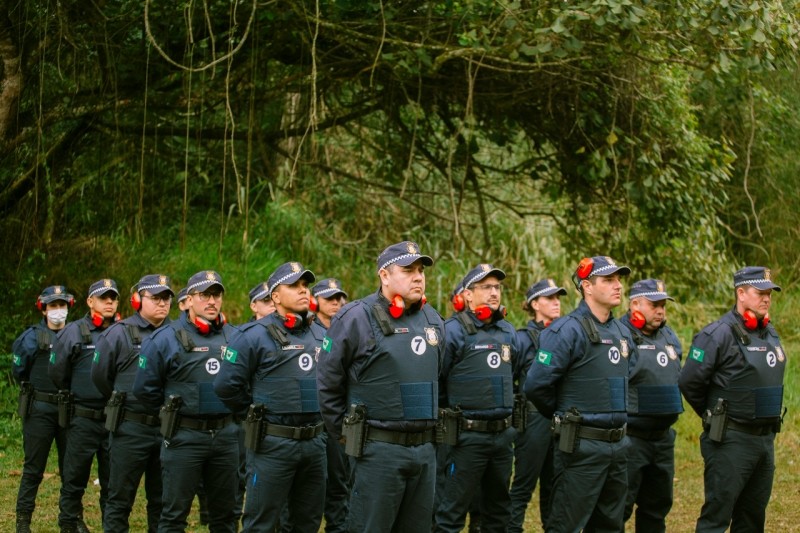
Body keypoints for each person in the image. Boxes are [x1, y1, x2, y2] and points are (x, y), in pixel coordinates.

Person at [317, 241, 445, 533]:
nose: (418, 277)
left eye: (421, 270)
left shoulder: (434, 320)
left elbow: (438, 373)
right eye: (408, 270)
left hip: (425, 452)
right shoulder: (355, 318)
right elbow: (328, 381)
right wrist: (343, 434)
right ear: (384, 275)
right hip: (378, 452)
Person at [524, 256, 636, 533]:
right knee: (567, 525)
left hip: (618, 447)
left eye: (619, 279)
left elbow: (627, 375)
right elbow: (536, 386)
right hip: (581, 448)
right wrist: (567, 415)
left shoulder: (623, 332)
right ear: (587, 286)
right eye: (609, 280)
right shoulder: (566, 331)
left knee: (611, 524)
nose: (618, 286)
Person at [215, 262, 326, 533]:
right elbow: (226, 386)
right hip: (273, 444)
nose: (303, 291)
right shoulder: (253, 336)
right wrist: (255, 412)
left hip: (315, 445)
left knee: (307, 522)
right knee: (260, 523)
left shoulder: (322, 334)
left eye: (305, 286)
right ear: (275, 296)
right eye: (294, 286)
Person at [679, 266, 786, 532]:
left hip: (764, 441)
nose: (766, 298)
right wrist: (715, 414)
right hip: (730, 440)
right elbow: (689, 382)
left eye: (769, 293)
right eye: (760, 292)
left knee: (752, 518)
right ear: (741, 293)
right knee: (717, 517)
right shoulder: (717, 334)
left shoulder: (769, 331)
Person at [133, 270, 240, 532]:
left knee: (226, 515)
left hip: (226, 438)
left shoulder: (236, 337)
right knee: (173, 515)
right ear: (189, 300)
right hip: (184, 438)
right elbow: (145, 390)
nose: (212, 301)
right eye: (204, 295)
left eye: (216, 294)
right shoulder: (165, 338)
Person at [434, 264, 521, 533]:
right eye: (486, 287)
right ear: (468, 295)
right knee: (450, 512)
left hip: (502, 438)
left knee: (498, 512)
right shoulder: (453, 331)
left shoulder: (508, 331)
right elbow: (438, 381)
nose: (494, 292)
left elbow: (514, 372)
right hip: (465, 439)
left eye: (497, 287)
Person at [92, 275, 174, 533]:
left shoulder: (178, 334)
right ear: (138, 299)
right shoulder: (118, 333)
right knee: (120, 499)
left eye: (166, 298)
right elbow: (100, 377)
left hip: (167, 429)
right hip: (131, 428)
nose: (162, 303)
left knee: (162, 501)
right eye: (155, 297)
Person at [50, 279, 120, 533]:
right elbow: (58, 371)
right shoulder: (74, 331)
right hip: (82, 419)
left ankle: (110, 527)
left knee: (113, 483)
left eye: (113, 297)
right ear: (91, 302)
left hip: (114, 419)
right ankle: (68, 524)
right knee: (74, 478)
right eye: (104, 297)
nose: (109, 302)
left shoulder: (124, 330)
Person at [620, 279, 683, 532]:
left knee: (657, 508)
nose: (660, 311)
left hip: (663, 439)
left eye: (663, 306)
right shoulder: (619, 334)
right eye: (654, 305)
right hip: (630, 439)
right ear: (635, 304)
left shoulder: (669, 335)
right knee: (619, 508)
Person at [12, 285, 75, 533]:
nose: (58, 310)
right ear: (44, 309)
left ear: (68, 307)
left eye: (62, 305)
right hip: (39, 409)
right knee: (33, 468)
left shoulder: (76, 334)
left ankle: (71, 519)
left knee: (71, 470)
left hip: (68, 409)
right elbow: (19, 371)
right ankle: (23, 521)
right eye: (53, 306)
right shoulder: (31, 337)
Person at [508, 278, 567, 533]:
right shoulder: (522, 339)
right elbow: (508, 380)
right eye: (550, 298)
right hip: (532, 422)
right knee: (523, 485)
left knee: (555, 486)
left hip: (561, 421)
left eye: (558, 298)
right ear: (535, 304)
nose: (556, 303)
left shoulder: (565, 335)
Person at [310, 278, 351, 533]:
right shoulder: (306, 330)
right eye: (329, 298)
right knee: (312, 486)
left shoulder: (348, 329)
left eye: (339, 298)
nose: (336, 302)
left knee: (340, 482)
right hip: (313, 419)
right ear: (315, 302)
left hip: (338, 418)